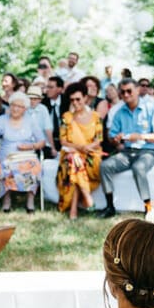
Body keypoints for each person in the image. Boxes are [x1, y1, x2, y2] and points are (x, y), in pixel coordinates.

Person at [98, 78, 154, 218]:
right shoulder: (119, 112)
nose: (126, 95)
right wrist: (115, 139)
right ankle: (110, 206)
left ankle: (148, 208)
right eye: (123, 92)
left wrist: (140, 136)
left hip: (148, 151)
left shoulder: (151, 108)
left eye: (129, 91)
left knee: (139, 168)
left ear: (138, 90)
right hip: (126, 152)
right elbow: (112, 137)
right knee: (105, 166)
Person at [0, 91, 46, 213]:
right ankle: (7, 200)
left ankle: (30, 200)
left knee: (34, 167)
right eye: (13, 105)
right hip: (7, 157)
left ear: (25, 109)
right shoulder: (1, 120)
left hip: (27, 156)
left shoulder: (31, 121)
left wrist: (30, 146)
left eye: (19, 106)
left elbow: (42, 142)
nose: (15, 109)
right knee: (5, 167)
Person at [57, 82, 104, 219]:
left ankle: (74, 209)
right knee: (74, 160)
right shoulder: (67, 117)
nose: (75, 102)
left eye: (78, 99)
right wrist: (79, 148)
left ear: (85, 98)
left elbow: (99, 139)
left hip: (91, 154)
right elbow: (63, 141)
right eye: (72, 100)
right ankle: (86, 199)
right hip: (71, 153)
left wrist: (87, 148)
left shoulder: (96, 116)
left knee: (78, 163)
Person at [25, 84, 56, 156]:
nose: (32, 101)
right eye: (30, 98)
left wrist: (52, 147)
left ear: (40, 100)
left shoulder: (43, 109)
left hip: (42, 143)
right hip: (27, 143)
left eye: (35, 99)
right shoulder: (24, 109)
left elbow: (48, 129)